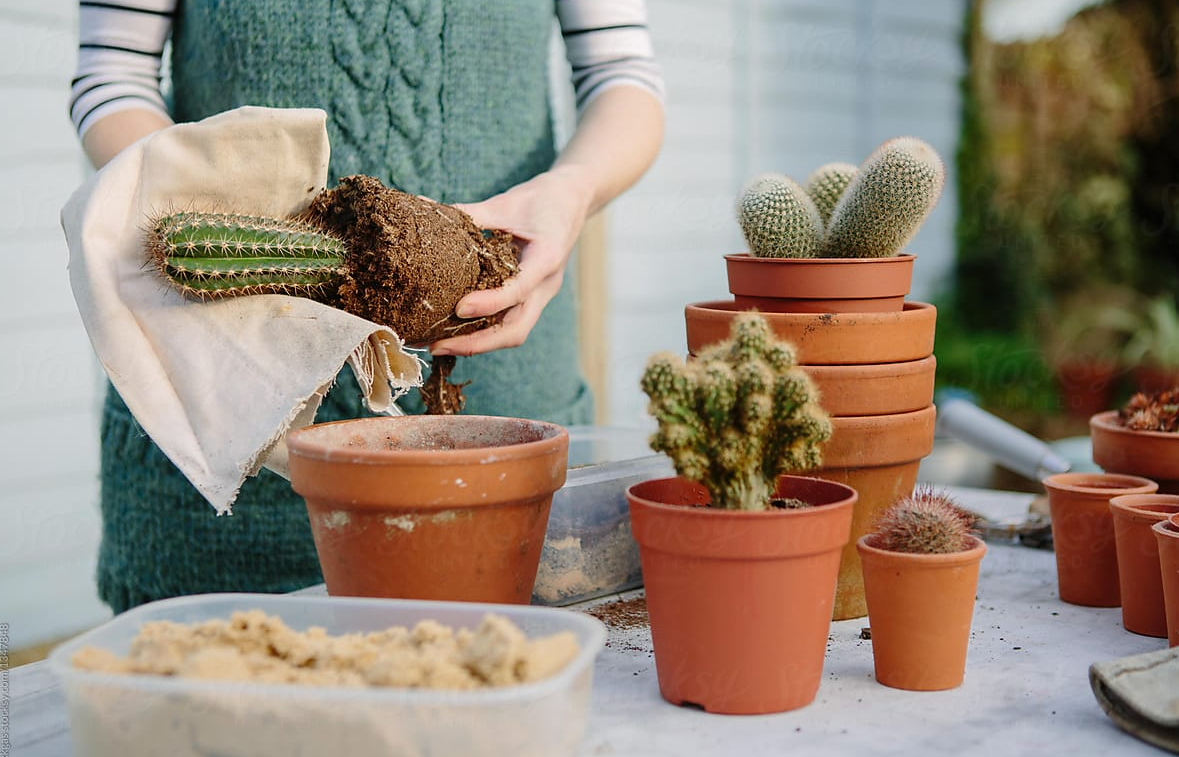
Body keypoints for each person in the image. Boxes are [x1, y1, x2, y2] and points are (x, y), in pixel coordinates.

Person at [70, 0, 664, 612]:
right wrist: (234, 235)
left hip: (496, 433)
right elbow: (112, 74)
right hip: (226, 413)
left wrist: (571, 191)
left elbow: (621, 75)